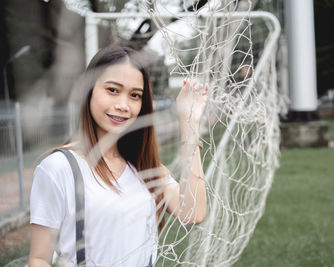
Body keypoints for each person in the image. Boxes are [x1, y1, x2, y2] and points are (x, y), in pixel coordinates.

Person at [28, 44, 208, 266]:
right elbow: (39, 259)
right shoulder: (58, 167)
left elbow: (194, 213)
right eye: (112, 90)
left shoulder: (144, 167)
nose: (123, 105)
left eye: (134, 95)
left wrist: (189, 123)